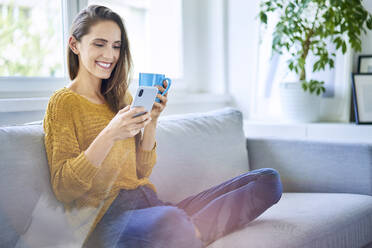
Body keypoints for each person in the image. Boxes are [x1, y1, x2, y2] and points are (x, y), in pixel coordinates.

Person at [43, 5, 283, 248]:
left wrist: (153, 121)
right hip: (107, 220)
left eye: (116, 46)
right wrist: (110, 134)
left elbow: (141, 173)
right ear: (75, 45)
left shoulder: (121, 98)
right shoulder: (63, 103)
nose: (110, 55)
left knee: (267, 181)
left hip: (149, 205)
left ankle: (184, 233)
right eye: (99, 44)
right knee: (170, 220)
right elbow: (64, 188)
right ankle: (182, 231)